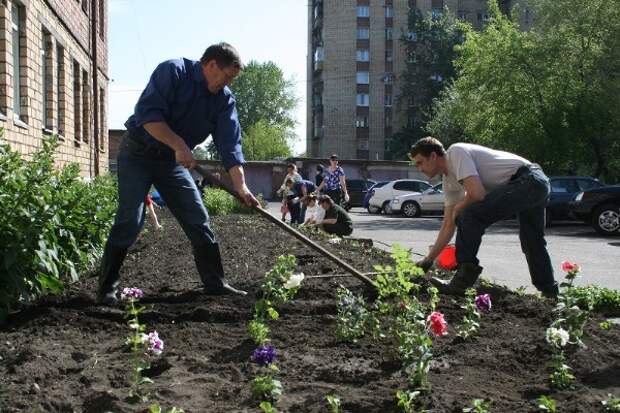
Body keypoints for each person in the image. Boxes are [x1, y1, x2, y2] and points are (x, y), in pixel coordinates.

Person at [97, 43, 258, 305]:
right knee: (131, 218)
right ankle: (106, 289)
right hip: (138, 153)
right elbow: (147, 116)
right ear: (212, 65)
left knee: (197, 216)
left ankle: (215, 283)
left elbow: (230, 145)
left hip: (171, 164)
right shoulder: (173, 72)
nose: (229, 83)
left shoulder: (223, 99)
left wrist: (241, 186)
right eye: (227, 76)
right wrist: (180, 145)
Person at [409, 137, 558, 297]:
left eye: (420, 162)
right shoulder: (449, 182)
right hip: (535, 184)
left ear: (433, 156)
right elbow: (448, 225)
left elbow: (477, 194)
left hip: (529, 179)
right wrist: (428, 260)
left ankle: (462, 280)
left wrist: (460, 207)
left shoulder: (456, 152)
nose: (419, 169)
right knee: (532, 241)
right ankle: (550, 293)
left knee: (468, 214)